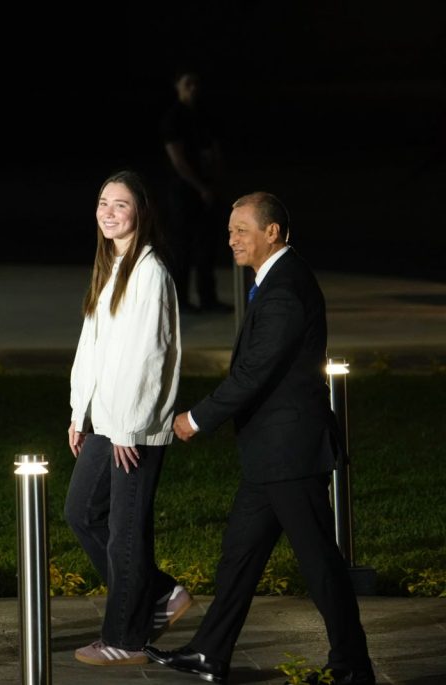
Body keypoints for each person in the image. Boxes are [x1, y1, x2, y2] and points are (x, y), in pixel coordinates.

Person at [145, 192, 375, 685]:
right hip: (270, 453)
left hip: (289, 452)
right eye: (229, 231)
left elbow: (253, 374)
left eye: (241, 230)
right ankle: (210, 653)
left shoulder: (286, 288)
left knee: (319, 566)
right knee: (240, 556)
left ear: (273, 232)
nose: (231, 239)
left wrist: (196, 418)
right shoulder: (272, 282)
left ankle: (352, 667)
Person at [64, 169, 191, 667]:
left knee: (125, 533)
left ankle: (126, 638)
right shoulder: (110, 267)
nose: (109, 212)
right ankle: (160, 594)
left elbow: (150, 357)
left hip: (133, 427)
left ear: (140, 213)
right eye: (103, 203)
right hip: (104, 421)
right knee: (81, 512)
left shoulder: (150, 271)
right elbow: (91, 350)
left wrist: (132, 425)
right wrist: (80, 414)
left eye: (120, 205)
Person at [160, 66, 230, 313]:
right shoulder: (174, 118)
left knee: (207, 245)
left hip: (207, 189)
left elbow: (215, 150)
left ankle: (207, 297)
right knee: (182, 247)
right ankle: (180, 300)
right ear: (177, 86)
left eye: (195, 83)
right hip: (184, 191)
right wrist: (200, 186)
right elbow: (178, 159)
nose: (193, 88)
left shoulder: (204, 115)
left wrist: (215, 183)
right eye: (187, 83)